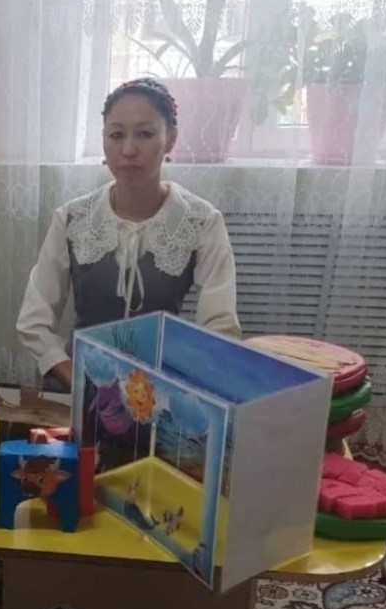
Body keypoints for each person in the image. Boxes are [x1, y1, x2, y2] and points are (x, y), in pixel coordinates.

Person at [16, 77, 241, 391]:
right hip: (76, 384)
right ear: (104, 140)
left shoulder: (201, 222)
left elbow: (220, 327)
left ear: (171, 139)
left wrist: (178, 389)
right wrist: (75, 377)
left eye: (145, 134)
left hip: (158, 393)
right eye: (117, 134)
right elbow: (34, 321)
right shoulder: (72, 218)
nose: (128, 149)